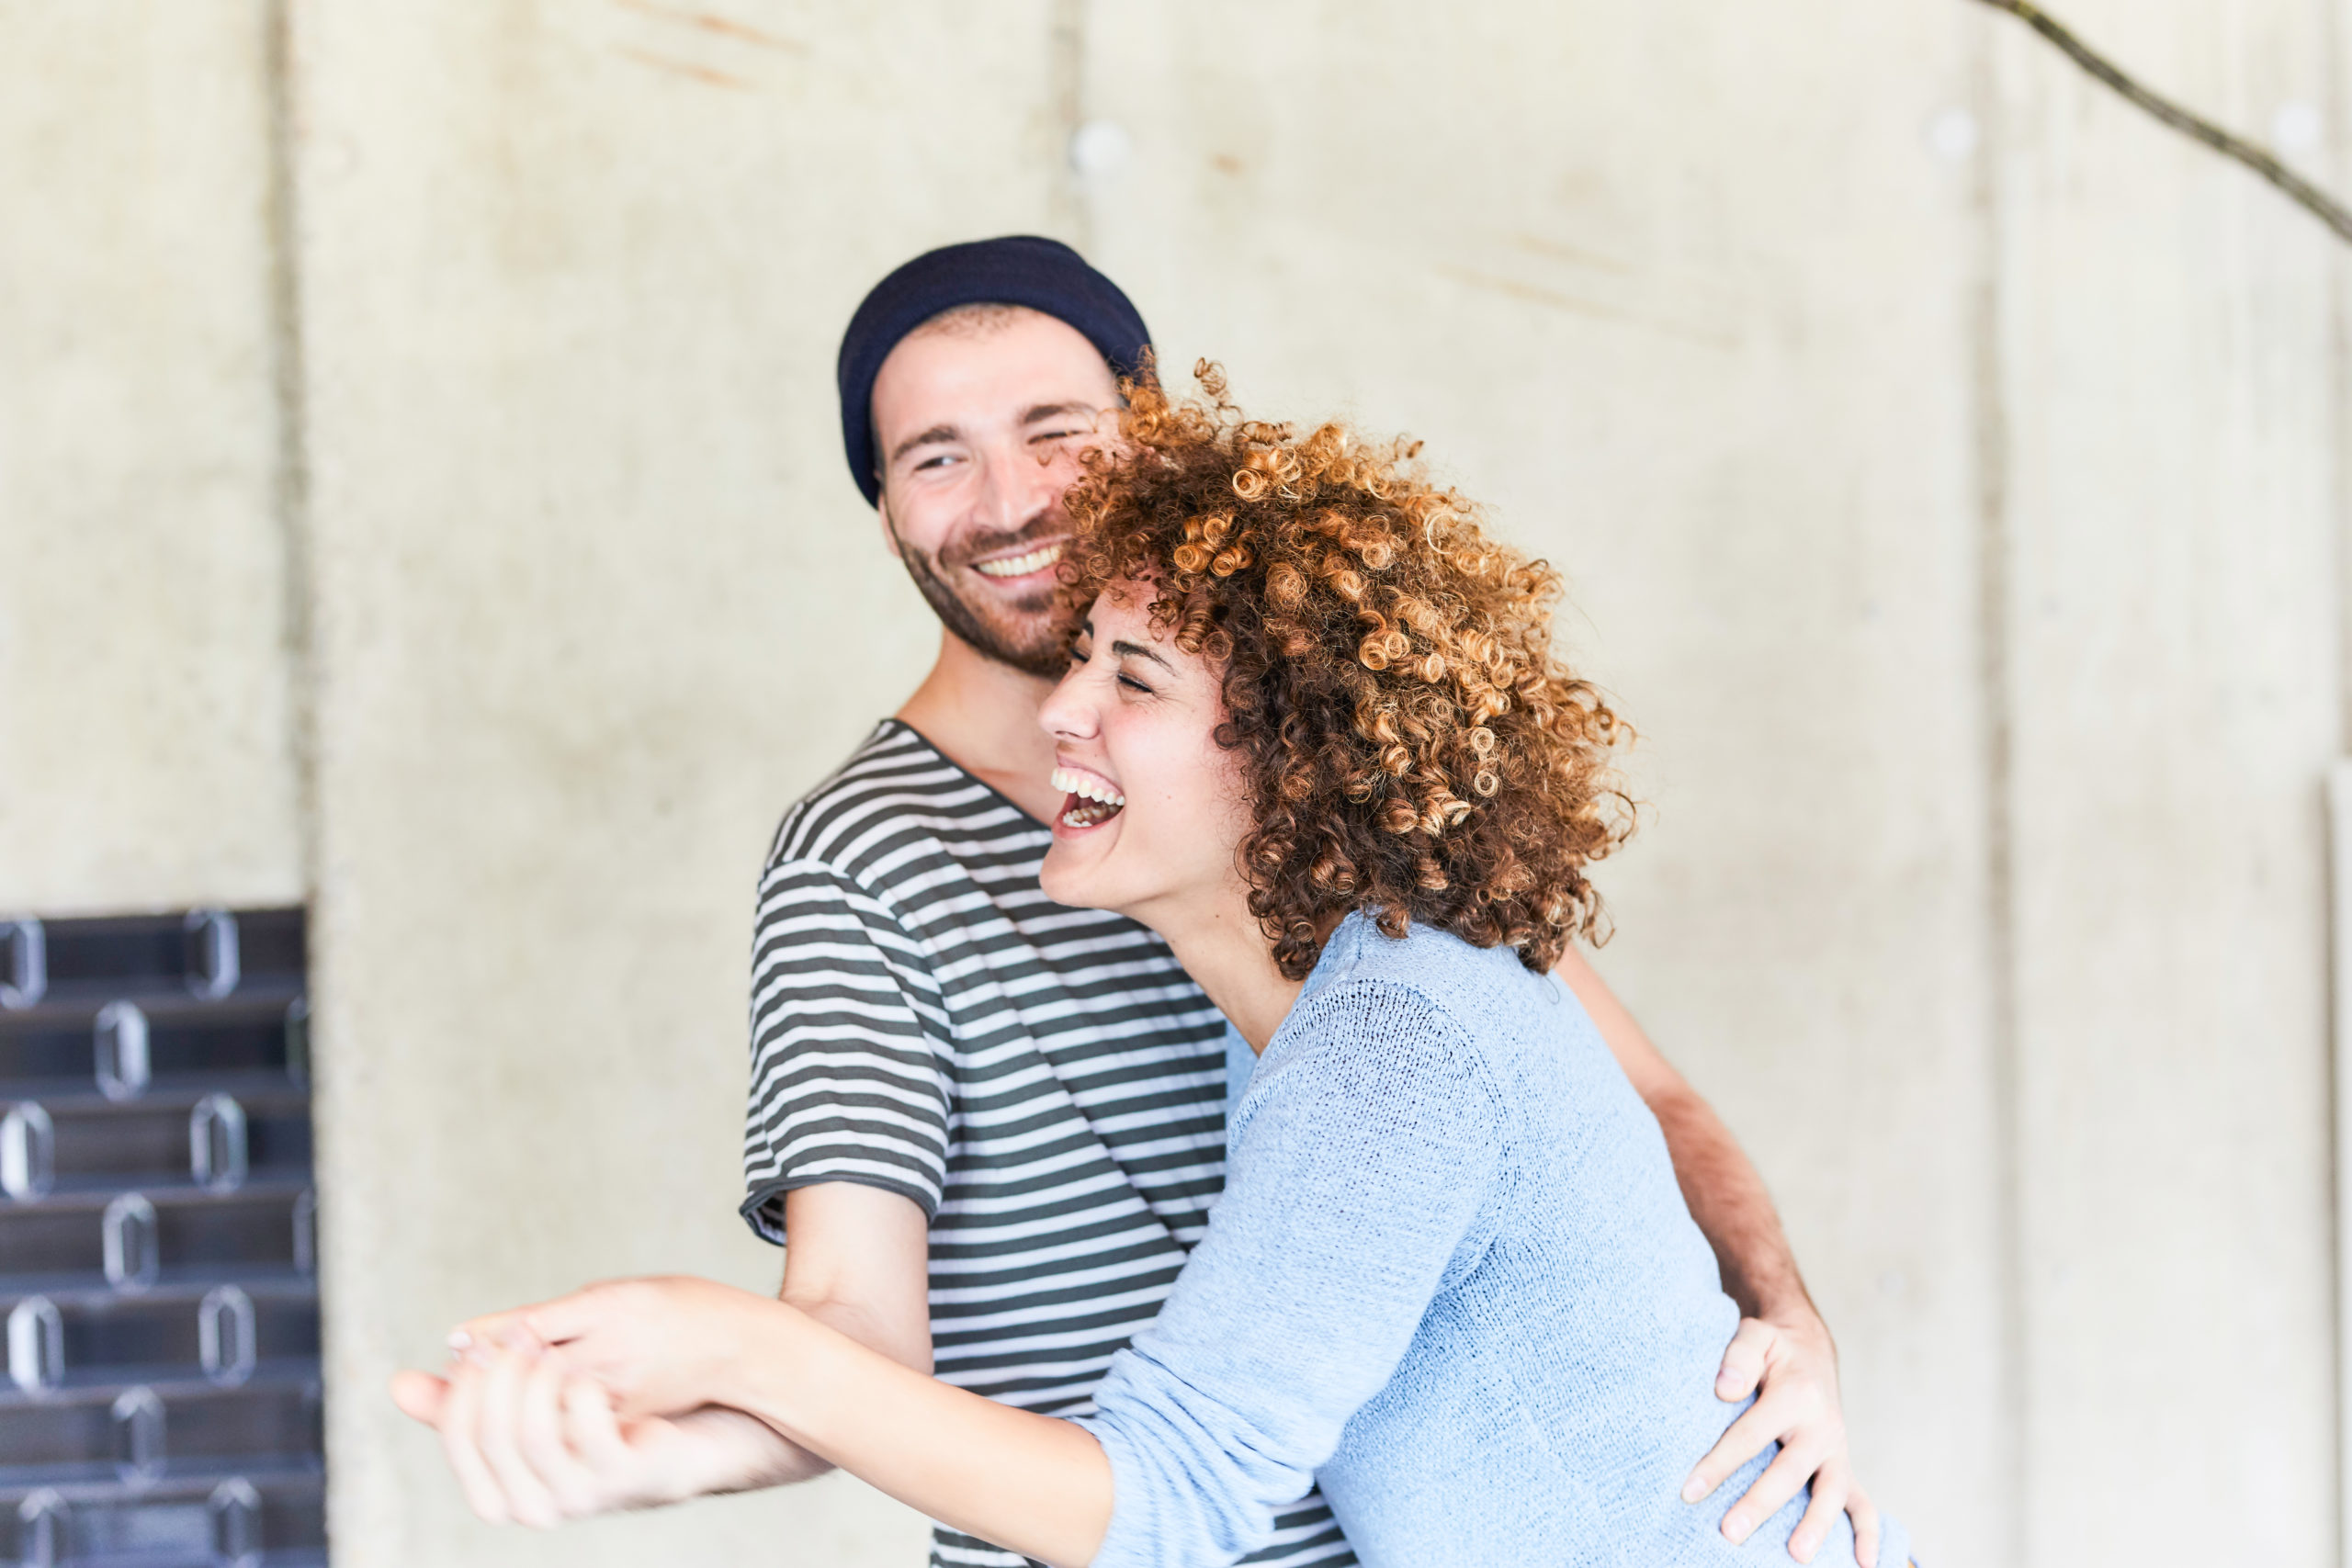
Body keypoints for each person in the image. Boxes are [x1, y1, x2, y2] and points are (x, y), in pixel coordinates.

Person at [392, 237, 1883, 1567]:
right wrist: (658, 1449)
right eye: (936, 457)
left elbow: (1635, 1105)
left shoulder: (1365, 890)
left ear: (1150, 445)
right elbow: (850, 1323)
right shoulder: (864, 859)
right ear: (886, 508)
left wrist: (1783, 1328)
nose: (1012, 500)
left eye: (1056, 433)